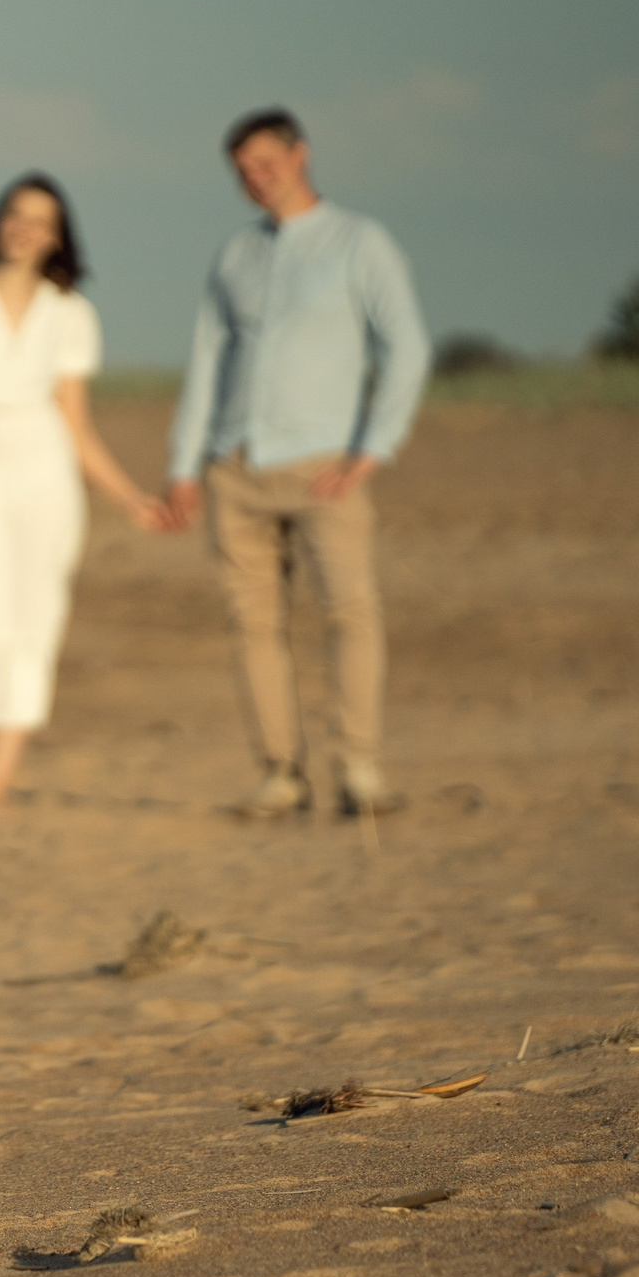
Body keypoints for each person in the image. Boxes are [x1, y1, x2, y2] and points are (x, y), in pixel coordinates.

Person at [167, 107, 431, 818]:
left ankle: (361, 769)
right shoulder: (235, 255)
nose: (256, 179)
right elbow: (207, 358)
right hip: (236, 467)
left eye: (266, 163)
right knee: (253, 623)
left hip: (324, 466)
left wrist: (371, 451)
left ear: (300, 155)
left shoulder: (358, 242)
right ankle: (281, 772)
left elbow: (406, 347)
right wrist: (186, 464)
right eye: (243, 172)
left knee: (350, 611)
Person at [0, 174, 171, 816]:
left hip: (43, 472)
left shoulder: (71, 311)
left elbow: (76, 424)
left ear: (58, 237)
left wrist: (131, 499)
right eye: (15, 215)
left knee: (29, 621)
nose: (23, 229)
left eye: (40, 221)